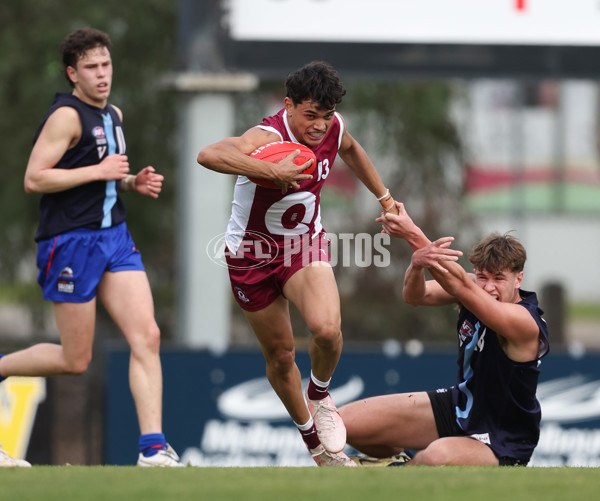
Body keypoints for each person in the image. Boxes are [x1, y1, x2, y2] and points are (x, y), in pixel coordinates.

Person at [197, 61, 399, 466]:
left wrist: (385, 198)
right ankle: (316, 447)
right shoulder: (268, 135)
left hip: (303, 247)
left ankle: (320, 394)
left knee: (326, 329)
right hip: (251, 255)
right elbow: (208, 154)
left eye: (326, 116)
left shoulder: (333, 127)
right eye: (311, 115)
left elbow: (352, 149)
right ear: (288, 106)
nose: (320, 126)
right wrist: (269, 169)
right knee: (282, 356)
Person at [0, 28, 182, 467]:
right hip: (71, 242)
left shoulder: (113, 114)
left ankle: (153, 449)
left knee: (148, 336)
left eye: (106, 65)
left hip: (114, 238)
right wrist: (101, 172)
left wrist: (129, 181)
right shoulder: (65, 116)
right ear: (73, 74)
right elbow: (35, 178)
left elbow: (97, 170)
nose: (102, 75)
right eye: (91, 68)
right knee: (75, 359)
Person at [339, 202, 550, 466]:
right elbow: (415, 296)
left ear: (518, 279)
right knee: (340, 425)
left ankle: (396, 475)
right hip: (459, 406)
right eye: (483, 276)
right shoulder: (472, 286)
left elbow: (460, 285)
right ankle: (395, 462)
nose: (488, 287)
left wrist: (412, 233)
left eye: (499, 278)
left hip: (502, 436)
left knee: (435, 458)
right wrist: (416, 266)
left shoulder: (523, 321)